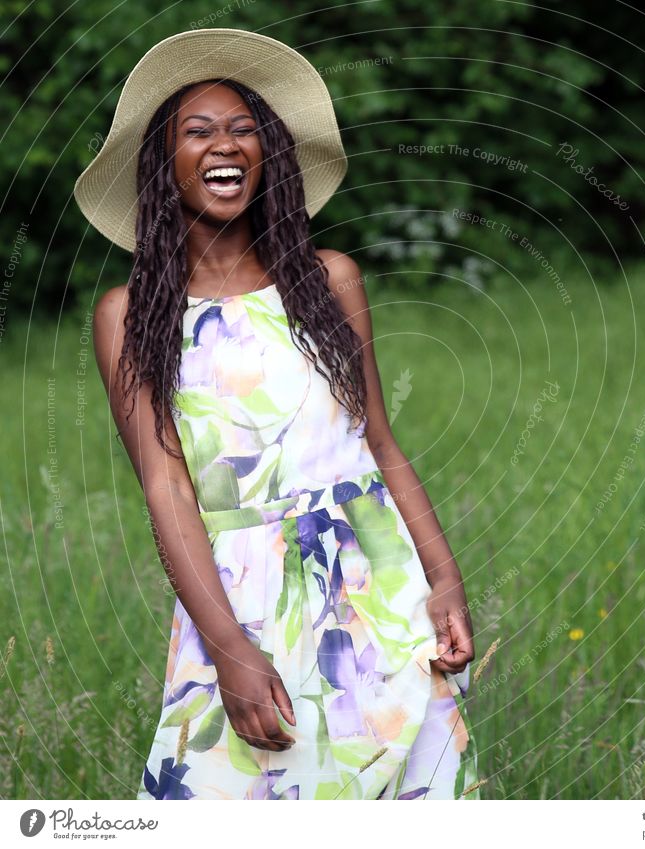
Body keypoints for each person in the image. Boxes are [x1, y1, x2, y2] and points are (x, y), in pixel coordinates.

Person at [74, 28, 481, 800]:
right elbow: (169, 491)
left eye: (243, 128)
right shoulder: (128, 316)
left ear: (270, 157)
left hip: (379, 584)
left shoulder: (331, 281)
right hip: (241, 599)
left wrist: (444, 578)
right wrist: (227, 648)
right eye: (197, 131)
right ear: (164, 166)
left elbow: (381, 446)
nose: (224, 143)